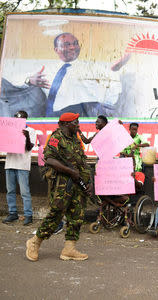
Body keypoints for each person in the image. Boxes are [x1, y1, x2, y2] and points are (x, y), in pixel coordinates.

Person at [1, 33, 122, 117]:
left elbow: (111, 89)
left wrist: (115, 70)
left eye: (75, 43)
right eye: (67, 44)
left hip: (82, 120)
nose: (73, 47)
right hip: (51, 121)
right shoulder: (47, 69)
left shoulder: (92, 68)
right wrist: (29, 80)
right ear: (56, 49)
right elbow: (12, 79)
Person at [25, 112, 92, 262]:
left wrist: (89, 182)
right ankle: (35, 242)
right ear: (67, 124)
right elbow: (49, 159)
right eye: (76, 123)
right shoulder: (56, 138)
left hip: (78, 185)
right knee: (56, 214)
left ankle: (69, 248)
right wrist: (70, 172)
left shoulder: (75, 139)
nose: (78, 125)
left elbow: (82, 161)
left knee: (77, 215)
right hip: (62, 184)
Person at [3, 110, 36, 225]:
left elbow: (29, 148)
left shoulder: (31, 131)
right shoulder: (9, 131)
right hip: (10, 163)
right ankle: (13, 213)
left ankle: (28, 215)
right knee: (10, 191)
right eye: (16, 118)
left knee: (24, 192)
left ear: (25, 119)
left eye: (21, 118)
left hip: (22, 165)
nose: (18, 120)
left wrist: (26, 137)